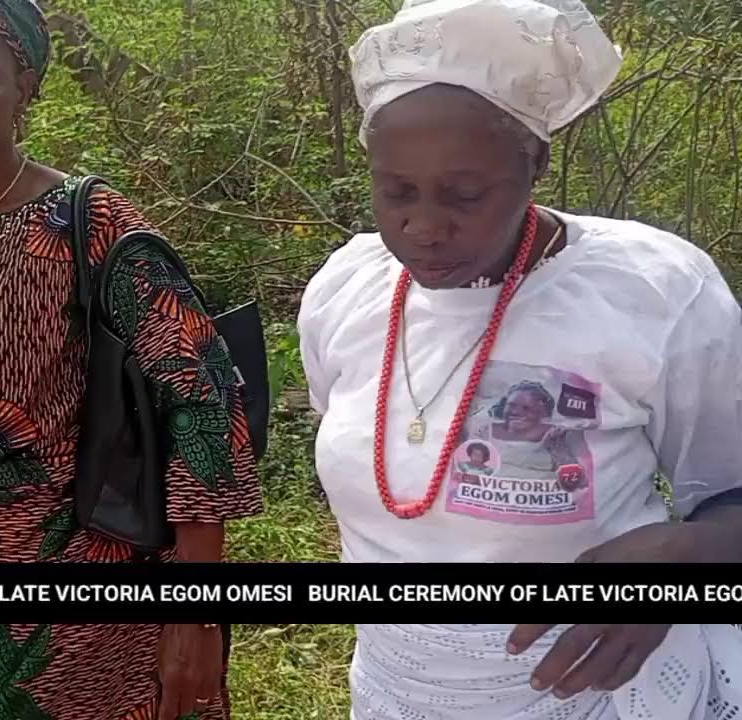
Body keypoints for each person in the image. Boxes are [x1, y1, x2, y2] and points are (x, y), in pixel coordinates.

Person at [298, 0, 742, 717]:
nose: (424, 226)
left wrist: (686, 561)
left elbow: (732, 491)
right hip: (395, 692)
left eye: (466, 194)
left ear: (535, 163)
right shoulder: (346, 290)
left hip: (598, 696)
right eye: (396, 191)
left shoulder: (653, 291)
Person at [0, 2, 263, 719]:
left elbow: (204, 400)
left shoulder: (87, 222)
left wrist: (197, 613)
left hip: (82, 621)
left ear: (24, 88)